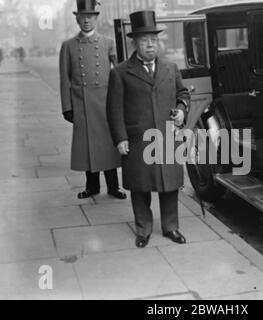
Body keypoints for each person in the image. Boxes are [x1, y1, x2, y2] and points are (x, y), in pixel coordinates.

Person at [106, 11, 190, 248]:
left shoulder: (170, 68)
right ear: (135, 43)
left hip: (165, 137)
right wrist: (120, 138)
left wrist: (182, 109)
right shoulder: (120, 73)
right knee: (140, 186)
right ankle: (143, 230)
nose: (150, 44)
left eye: (153, 39)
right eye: (144, 40)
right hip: (137, 139)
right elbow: (114, 109)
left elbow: (182, 94)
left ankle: (171, 227)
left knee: (169, 184)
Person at [59, 0, 126, 200]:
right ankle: (92, 187)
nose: (86, 20)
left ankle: (113, 187)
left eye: (90, 16)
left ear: (96, 18)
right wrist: (67, 107)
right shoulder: (68, 46)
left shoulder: (107, 43)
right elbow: (65, 79)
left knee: (108, 145)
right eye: (83, 17)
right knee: (88, 147)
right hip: (83, 105)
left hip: (106, 103)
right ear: (77, 19)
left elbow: (120, 72)